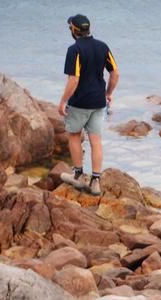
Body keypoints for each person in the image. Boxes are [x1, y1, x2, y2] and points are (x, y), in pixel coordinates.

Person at [57, 14, 118, 196]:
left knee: (74, 136)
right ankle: (96, 181)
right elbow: (115, 74)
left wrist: (62, 101)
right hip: (98, 102)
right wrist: (108, 94)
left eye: (70, 28)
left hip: (79, 103)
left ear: (75, 30)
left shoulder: (74, 49)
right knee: (96, 141)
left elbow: (74, 79)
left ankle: (79, 175)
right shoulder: (102, 46)